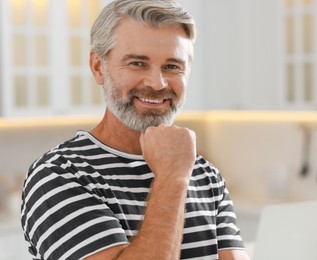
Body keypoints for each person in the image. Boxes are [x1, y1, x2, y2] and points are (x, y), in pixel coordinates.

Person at [21, 0, 250, 259]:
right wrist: (172, 178)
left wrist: (179, 171)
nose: (157, 83)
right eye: (137, 63)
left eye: (172, 66)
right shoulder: (59, 176)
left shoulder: (206, 175)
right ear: (98, 67)